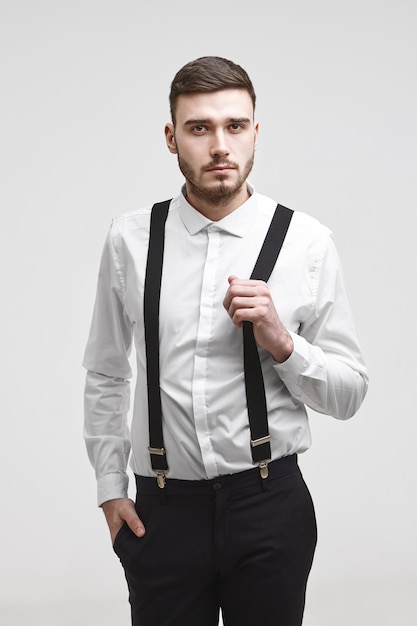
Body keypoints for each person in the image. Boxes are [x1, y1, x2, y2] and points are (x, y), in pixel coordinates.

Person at [83, 56, 368, 626]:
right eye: (200, 128)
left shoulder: (306, 243)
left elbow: (350, 394)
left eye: (235, 126)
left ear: (255, 132)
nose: (220, 145)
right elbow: (107, 373)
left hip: (269, 506)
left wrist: (282, 341)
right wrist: (111, 487)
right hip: (164, 510)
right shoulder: (130, 240)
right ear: (172, 138)